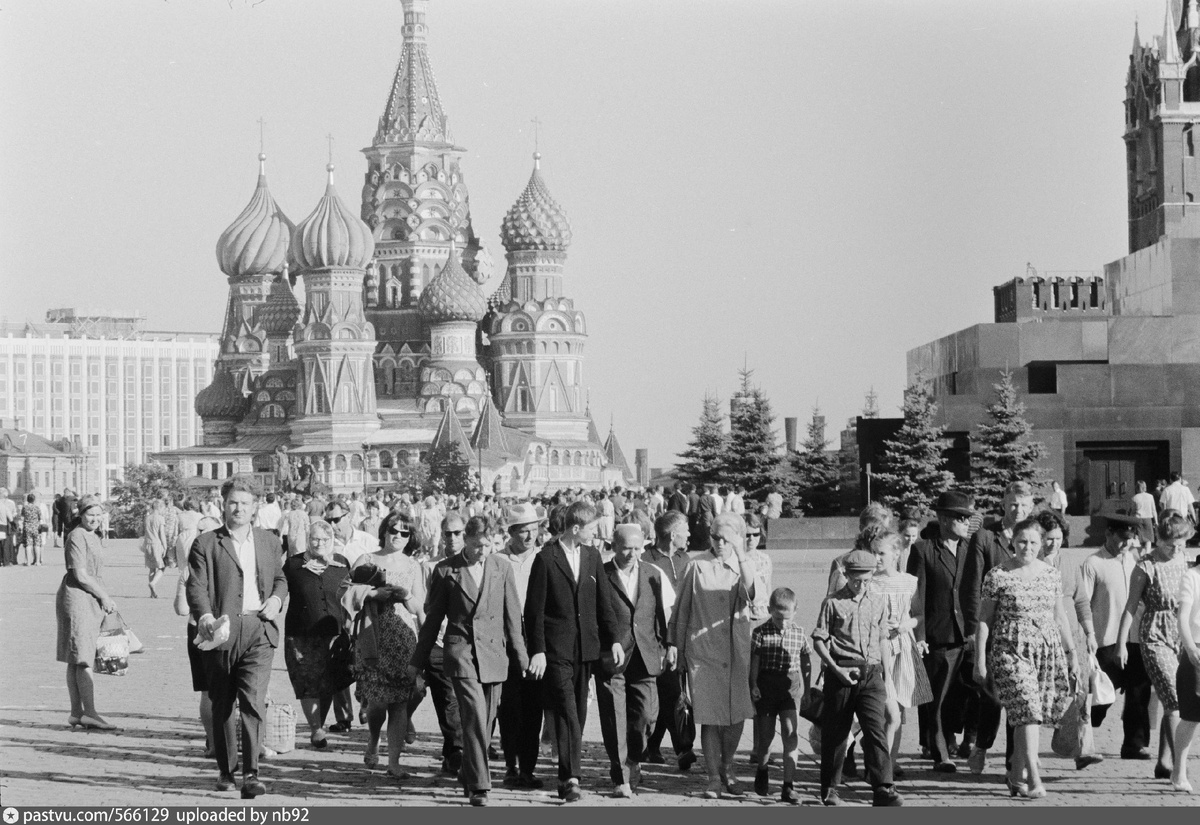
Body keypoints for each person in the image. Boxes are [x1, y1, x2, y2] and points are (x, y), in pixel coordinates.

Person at [414, 515, 526, 807]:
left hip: (493, 653)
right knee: (475, 715)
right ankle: (480, 786)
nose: (483, 551)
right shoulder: (446, 570)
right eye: (477, 546)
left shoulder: (501, 567)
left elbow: (512, 616)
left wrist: (521, 656)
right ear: (466, 540)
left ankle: (468, 769)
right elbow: (432, 619)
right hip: (461, 650)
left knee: (486, 723)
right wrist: (417, 659)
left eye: (488, 545)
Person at [186, 476, 287, 799]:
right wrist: (205, 616)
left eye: (245, 503)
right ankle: (226, 770)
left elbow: (280, 578)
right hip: (222, 631)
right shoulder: (206, 543)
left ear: (256, 507)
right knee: (222, 703)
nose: (238, 508)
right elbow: (196, 587)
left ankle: (252, 773)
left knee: (254, 703)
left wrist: (277, 598)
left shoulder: (269, 541)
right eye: (233, 502)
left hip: (259, 629)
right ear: (223, 504)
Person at [524, 499, 623, 803]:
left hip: (587, 648)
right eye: (593, 528)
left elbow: (603, 601)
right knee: (567, 711)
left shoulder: (593, 556)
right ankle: (571, 778)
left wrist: (615, 638)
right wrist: (537, 650)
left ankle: (567, 771)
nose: (597, 533)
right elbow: (534, 610)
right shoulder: (546, 558)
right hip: (556, 649)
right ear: (576, 528)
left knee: (578, 712)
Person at [973, 518, 1077, 799]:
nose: (1027, 547)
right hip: (1009, 650)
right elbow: (984, 621)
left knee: (1025, 716)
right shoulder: (998, 575)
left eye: (1033, 542)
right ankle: (1034, 777)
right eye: (1021, 542)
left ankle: (1016, 776)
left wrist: (1072, 654)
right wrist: (979, 660)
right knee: (1028, 709)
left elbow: (1059, 616)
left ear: (1041, 543)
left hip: (1045, 651)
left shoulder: (1050, 574)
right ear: (1012, 543)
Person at [669, 512, 757, 799]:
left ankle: (728, 767)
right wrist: (678, 649)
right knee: (710, 716)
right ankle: (712, 777)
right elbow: (681, 610)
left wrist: (741, 555)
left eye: (725, 538)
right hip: (703, 651)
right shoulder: (696, 565)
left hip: (735, 651)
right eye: (715, 537)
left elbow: (753, 594)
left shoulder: (744, 565)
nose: (719, 543)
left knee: (735, 716)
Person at [340, 510, 426, 780]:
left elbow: (419, 607)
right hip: (372, 636)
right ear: (384, 531)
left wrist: (406, 594)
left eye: (405, 532)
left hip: (403, 638)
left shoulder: (413, 566)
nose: (398, 536)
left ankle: (394, 762)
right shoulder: (367, 559)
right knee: (377, 702)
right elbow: (344, 591)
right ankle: (373, 738)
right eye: (394, 530)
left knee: (400, 701)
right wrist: (373, 593)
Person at [813, 549, 903, 807]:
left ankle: (883, 788)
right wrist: (835, 668)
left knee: (875, 730)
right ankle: (830, 790)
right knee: (837, 734)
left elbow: (883, 639)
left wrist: (886, 677)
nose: (861, 585)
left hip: (872, 674)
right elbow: (819, 639)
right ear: (846, 575)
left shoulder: (878, 600)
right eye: (856, 580)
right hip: (841, 673)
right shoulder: (832, 602)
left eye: (866, 580)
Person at [962, 481, 1037, 774]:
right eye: (1013, 504)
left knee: (1019, 698)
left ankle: (1012, 766)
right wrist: (972, 632)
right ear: (1004, 504)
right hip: (990, 631)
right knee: (992, 697)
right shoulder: (985, 538)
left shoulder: (1033, 538)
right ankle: (982, 745)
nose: (1018, 510)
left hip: (1023, 633)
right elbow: (970, 589)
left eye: (1024, 505)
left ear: (1031, 506)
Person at [1116, 512, 1194, 779]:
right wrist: (1122, 643)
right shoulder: (1146, 566)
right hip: (1154, 637)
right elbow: (1129, 607)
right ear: (1159, 540)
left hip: (1181, 635)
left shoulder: (1185, 562)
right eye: (1172, 544)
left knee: (1174, 700)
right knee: (1174, 700)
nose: (1177, 549)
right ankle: (1180, 772)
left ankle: (1164, 761)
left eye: (1182, 544)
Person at [595, 524, 670, 798]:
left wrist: (667, 646)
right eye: (626, 547)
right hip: (611, 658)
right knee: (614, 720)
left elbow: (660, 616)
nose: (632, 553)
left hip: (646, 655)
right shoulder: (600, 575)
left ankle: (635, 758)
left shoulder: (652, 574)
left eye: (637, 548)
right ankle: (621, 776)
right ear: (613, 545)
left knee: (647, 716)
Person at [1078, 500, 1154, 760]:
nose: (1126, 543)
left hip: (1136, 639)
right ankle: (1087, 727)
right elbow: (1083, 603)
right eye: (1122, 538)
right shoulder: (1093, 563)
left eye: (1130, 538)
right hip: (1107, 640)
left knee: (1138, 693)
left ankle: (1134, 744)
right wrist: (1087, 634)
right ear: (1109, 534)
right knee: (1102, 695)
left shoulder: (1135, 560)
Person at [907, 489, 976, 773]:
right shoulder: (923, 551)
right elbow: (916, 596)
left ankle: (960, 739)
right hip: (938, 635)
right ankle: (939, 753)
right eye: (962, 518)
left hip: (968, 635)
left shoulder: (971, 549)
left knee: (965, 694)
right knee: (935, 697)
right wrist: (919, 635)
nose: (967, 524)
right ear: (945, 519)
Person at [1034, 509, 1103, 770]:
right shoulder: (1031, 565)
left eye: (1058, 537)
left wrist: (1090, 634)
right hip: (1044, 639)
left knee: (1081, 692)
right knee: (1043, 694)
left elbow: (1082, 601)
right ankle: (1032, 750)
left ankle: (1083, 750)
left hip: (1074, 637)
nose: (1053, 543)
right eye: (1048, 538)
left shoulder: (1069, 562)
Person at [283, 520, 350, 750]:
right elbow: (280, 589)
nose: (319, 543)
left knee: (328, 681)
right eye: (314, 538)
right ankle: (315, 728)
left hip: (333, 633)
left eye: (324, 539)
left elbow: (350, 593)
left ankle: (319, 722)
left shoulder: (340, 563)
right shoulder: (294, 564)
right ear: (307, 540)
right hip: (300, 634)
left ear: (331, 540)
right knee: (306, 679)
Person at [56, 496, 118, 731]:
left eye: (98, 515)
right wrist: (104, 596)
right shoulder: (77, 535)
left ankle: (76, 713)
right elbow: (81, 574)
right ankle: (89, 713)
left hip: (89, 594)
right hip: (79, 595)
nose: (94, 519)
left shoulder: (93, 536)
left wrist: (101, 594)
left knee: (77, 657)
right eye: (89, 514)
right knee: (82, 656)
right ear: (80, 515)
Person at [868, 530, 927, 777]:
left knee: (899, 710)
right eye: (873, 552)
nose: (876, 558)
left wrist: (908, 625)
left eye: (881, 553)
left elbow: (920, 615)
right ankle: (880, 765)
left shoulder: (909, 582)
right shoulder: (870, 582)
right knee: (886, 711)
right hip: (877, 651)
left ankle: (888, 763)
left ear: (897, 553)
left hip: (902, 647)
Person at [497, 503, 547, 788]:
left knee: (533, 707)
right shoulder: (499, 560)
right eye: (523, 531)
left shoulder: (543, 558)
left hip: (535, 638)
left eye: (534, 530)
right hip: (505, 640)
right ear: (511, 532)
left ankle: (528, 766)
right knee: (510, 707)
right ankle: (510, 764)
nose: (530, 537)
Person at [643, 510, 695, 771]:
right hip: (656, 638)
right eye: (685, 529)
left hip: (683, 636)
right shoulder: (646, 560)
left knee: (672, 691)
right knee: (670, 691)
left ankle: (651, 747)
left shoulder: (686, 559)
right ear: (673, 534)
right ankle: (683, 747)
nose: (689, 534)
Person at [413, 512, 465, 776]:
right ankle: (456, 750)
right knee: (447, 699)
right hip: (437, 642)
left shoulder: (476, 564)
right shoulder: (432, 567)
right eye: (448, 533)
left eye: (457, 533)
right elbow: (424, 609)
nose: (452, 538)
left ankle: (455, 750)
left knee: (460, 700)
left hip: (465, 644)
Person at [749, 587, 810, 804]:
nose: (783, 623)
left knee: (790, 734)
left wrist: (807, 689)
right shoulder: (760, 632)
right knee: (765, 738)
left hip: (790, 687)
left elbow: (805, 662)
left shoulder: (799, 632)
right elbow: (754, 662)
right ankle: (762, 768)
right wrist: (753, 684)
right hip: (767, 686)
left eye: (787, 617)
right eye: (778, 617)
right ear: (769, 611)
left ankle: (788, 785)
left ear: (795, 611)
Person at [175, 511, 223, 758]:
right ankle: (224, 741)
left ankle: (214, 742)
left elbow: (181, 609)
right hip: (222, 628)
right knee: (227, 688)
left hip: (198, 628)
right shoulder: (230, 562)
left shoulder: (189, 569)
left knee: (208, 691)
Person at [1171, 557, 1200, 793]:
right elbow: (1183, 617)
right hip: (1197, 650)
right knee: (1191, 716)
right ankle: (1179, 771)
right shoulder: (1192, 576)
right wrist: (1190, 647)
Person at [143, 499, 169, 598]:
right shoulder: (160, 518)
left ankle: (151, 593)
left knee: (152, 569)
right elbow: (162, 534)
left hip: (148, 544)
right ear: (160, 508)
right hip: (157, 544)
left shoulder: (147, 518)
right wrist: (165, 546)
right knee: (162, 567)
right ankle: (153, 583)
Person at [18, 492, 44, 566]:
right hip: (36, 527)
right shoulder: (37, 508)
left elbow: (22, 518)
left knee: (28, 544)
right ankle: (38, 561)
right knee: (37, 544)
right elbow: (40, 518)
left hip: (27, 527)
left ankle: (28, 562)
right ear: (34, 500)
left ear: (27, 500)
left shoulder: (25, 508)